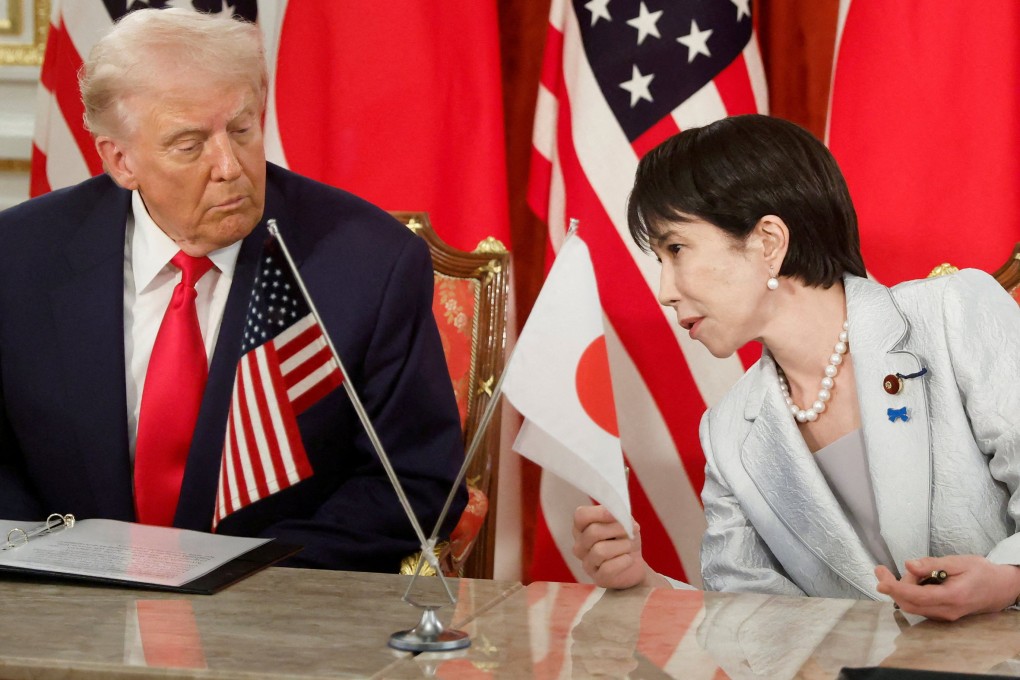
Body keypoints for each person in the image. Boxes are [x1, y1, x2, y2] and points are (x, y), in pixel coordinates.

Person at [0, 8, 465, 572]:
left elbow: (414, 484)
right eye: (189, 144)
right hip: (56, 611)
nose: (230, 166)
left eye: (242, 130)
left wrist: (242, 575)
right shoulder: (20, 256)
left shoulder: (369, 263)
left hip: (272, 616)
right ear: (120, 160)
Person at [572, 114, 1020, 621]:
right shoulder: (727, 433)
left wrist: (1007, 580)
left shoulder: (952, 313)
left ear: (768, 242)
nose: (665, 291)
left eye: (676, 249)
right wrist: (642, 583)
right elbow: (744, 618)